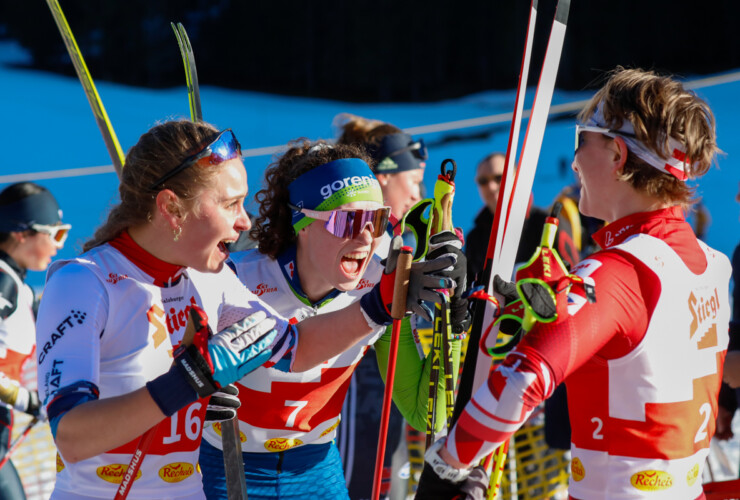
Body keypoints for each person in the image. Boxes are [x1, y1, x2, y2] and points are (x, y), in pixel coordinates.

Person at [35, 120, 457, 499]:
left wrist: (380, 306)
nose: (244, 223)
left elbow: (295, 347)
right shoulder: (82, 283)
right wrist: (190, 382)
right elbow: (71, 436)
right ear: (171, 207)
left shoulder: (210, 279)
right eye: (230, 204)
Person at [416, 67, 729, 500]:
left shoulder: (616, 271)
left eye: (582, 140)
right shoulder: (713, 263)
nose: (576, 160)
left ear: (618, 154)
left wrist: (447, 465)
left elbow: (522, 381)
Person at [198, 140, 466, 499]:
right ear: (301, 222)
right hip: (224, 466)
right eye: (347, 220)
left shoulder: (380, 286)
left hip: (315, 470)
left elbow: (427, 416)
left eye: (376, 219)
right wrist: (195, 396)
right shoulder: (238, 280)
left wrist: (453, 323)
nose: (366, 236)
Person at [335, 115, 469, 498]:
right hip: (350, 389)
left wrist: (454, 309)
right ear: (383, 179)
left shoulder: (397, 238)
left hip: (383, 385)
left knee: (379, 484)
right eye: (413, 182)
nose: (417, 195)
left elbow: (429, 411)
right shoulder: (356, 244)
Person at [0, 182, 70, 499]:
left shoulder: (18, 285)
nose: (59, 245)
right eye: (55, 234)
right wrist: (30, 401)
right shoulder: (3, 281)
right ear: (21, 233)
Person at [466, 152, 579, 288]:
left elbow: (573, 277)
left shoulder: (547, 224)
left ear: (516, 178)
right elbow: (469, 288)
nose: (491, 186)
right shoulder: (475, 237)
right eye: (483, 181)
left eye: (499, 178)